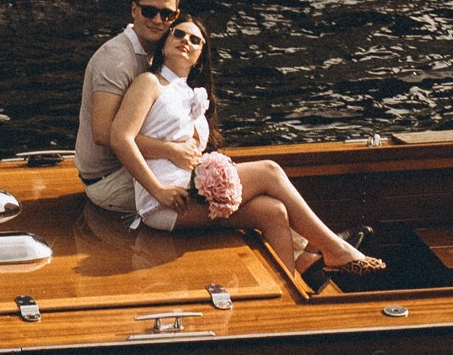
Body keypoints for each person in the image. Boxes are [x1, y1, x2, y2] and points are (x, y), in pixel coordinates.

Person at [106, 14, 384, 279]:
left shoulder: (191, 94)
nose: (185, 41)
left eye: (195, 40)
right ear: (165, 43)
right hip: (166, 198)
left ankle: (289, 288)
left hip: (188, 189)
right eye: (178, 34)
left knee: (273, 211)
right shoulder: (150, 83)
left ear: (201, 55)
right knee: (269, 171)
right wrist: (158, 190)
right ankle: (333, 248)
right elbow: (120, 137)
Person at [74, 0, 191, 212]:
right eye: (149, 11)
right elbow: (104, 133)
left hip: (135, 166)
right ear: (134, 10)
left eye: (166, 14)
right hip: (109, 180)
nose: (157, 20)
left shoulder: (161, 54)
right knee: (211, 191)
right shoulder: (115, 60)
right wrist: (170, 151)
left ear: (175, 17)